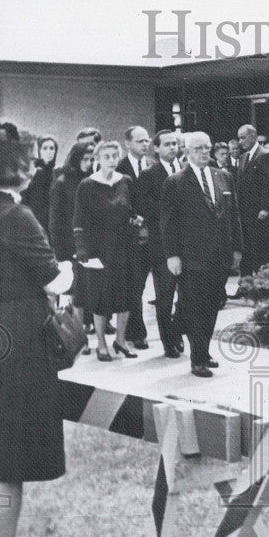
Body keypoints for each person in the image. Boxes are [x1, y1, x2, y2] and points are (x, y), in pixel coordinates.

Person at [0, 125, 73, 537]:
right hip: (18, 340)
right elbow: (53, 278)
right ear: (22, 172)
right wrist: (74, 270)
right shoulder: (14, 215)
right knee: (8, 461)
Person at [161, 132, 243, 377]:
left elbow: (233, 215)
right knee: (195, 307)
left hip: (219, 256)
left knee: (213, 305)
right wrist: (172, 255)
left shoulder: (224, 177)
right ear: (187, 152)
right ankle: (197, 359)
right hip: (191, 257)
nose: (204, 153)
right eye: (198, 149)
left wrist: (237, 248)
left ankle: (203, 350)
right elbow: (168, 223)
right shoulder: (175, 182)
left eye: (207, 148)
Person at [73, 140, 144, 361]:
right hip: (98, 249)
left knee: (127, 295)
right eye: (107, 156)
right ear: (98, 159)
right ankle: (101, 343)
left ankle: (121, 340)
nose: (112, 160)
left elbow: (134, 210)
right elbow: (79, 220)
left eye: (115, 156)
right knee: (100, 298)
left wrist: (136, 219)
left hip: (125, 247)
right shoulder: (87, 185)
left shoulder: (126, 181)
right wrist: (82, 249)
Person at [138, 130, 185, 358]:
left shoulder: (186, 171)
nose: (172, 148)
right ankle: (168, 341)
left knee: (186, 296)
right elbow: (145, 207)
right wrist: (172, 209)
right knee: (165, 295)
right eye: (167, 144)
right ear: (156, 148)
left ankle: (177, 332)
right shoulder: (149, 174)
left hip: (187, 243)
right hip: (162, 245)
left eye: (175, 143)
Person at [48, 142, 96, 344]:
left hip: (88, 242)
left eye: (92, 159)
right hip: (68, 243)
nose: (89, 163)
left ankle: (87, 323)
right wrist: (61, 253)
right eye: (85, 159)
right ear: (76, 159)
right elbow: (55, 220)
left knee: (88, 287)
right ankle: (71, 333)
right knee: (71, 290)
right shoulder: (62, 181)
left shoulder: (91, 180)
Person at [116, 126, 153, 349]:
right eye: (140, 141)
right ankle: (135, 331)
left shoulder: (150, 166)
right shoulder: (121, 168)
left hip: (151, 234)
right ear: (128, 143)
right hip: (130, 235)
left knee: (145, 285)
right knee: (135, 285)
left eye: (147, 140)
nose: (145, 144)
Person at [235, 124, 269, 276]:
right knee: (246, 248)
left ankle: (264, 285)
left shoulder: (265, 155)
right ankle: (245, 283)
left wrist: (266, 208)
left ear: (253, 137)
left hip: (259, 213)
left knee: (262, 249)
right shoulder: (242, 158)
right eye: (239, 138)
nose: (240, 142)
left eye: (243, 138)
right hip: (245, 212)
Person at [21, 135, 59, 234]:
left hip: (52, 222)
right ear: (39, 151)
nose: (49, 152)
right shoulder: (34, 172)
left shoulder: (56, 173)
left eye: (52, 148)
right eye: (45, 148)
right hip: (36, 222)